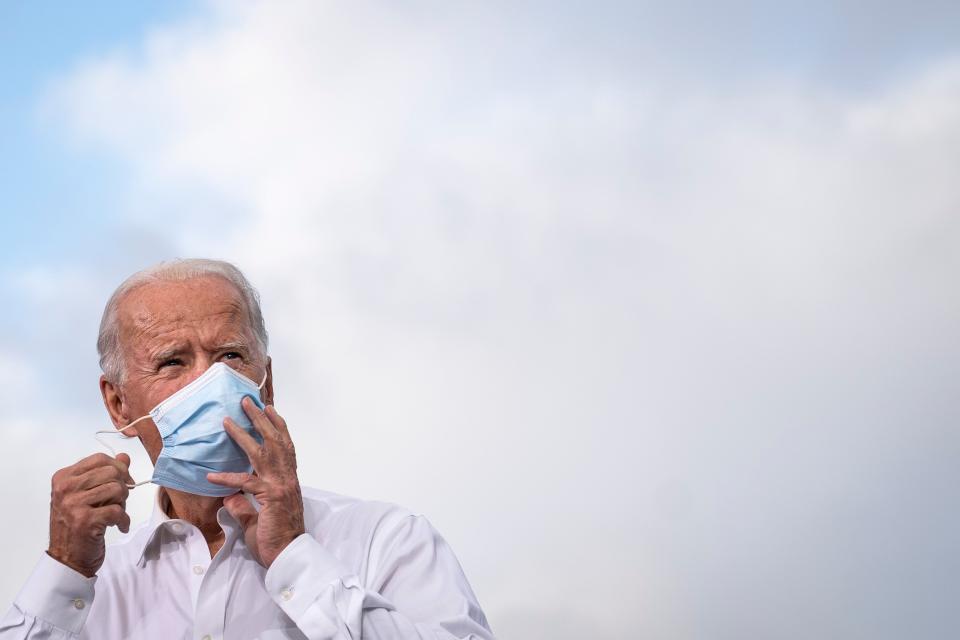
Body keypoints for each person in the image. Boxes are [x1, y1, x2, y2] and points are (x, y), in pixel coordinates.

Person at [1, 259, 494, 639]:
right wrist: (64, 569)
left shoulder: (385, 540)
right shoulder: (90, 588)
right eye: (173, 361)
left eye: (230, 355)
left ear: (267, 382)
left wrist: (296, 559)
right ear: (117, 403)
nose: (210, 381)